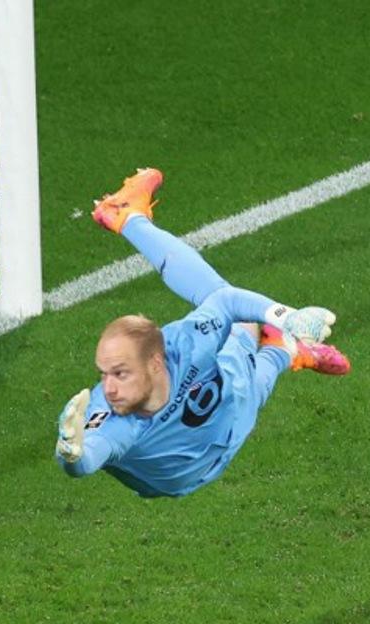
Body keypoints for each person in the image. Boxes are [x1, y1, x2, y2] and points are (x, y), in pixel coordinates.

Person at [55, 168, 351, 497]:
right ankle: (128, 217)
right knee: (255, 367)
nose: (108, 388)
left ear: (156, 363)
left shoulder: (188, 344)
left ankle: (289, 347)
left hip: (233, 407)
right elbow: (89, 457)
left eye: (120, 373)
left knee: (243, 336)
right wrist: (71, 456)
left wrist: (287, 316)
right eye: (104, 373)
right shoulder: (116, 421)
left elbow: (227, 301)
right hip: (187, 472)